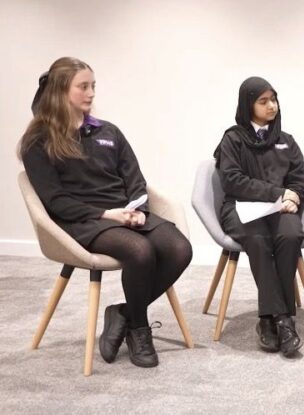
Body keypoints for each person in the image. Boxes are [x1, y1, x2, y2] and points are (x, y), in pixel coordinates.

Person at [19, 57, 193, 369]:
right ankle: (139, 329)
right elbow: (54, 200)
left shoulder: (108, 132)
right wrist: (107, 214)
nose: (91, 93)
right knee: (140, 252)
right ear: (60, 91)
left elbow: (135, 178)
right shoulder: (38, 141)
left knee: (180, 248)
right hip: (83, 222)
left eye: (93, 86)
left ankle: (124, 312)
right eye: (83, 86)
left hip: (124, 214)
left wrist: (137, 210)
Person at [214, 77, 304, 357]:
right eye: (263, 101)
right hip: (241, 209)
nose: (272, 106)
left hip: (280, 208)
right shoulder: (232, 139)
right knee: (258, 240)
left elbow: (300, 180)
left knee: (290, 235)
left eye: (274, 99)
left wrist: (293, 197)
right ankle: (282, 320)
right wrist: (279, 193)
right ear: (248, 104)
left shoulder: (286, 141)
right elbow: (232, 181)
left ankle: (269, 319)